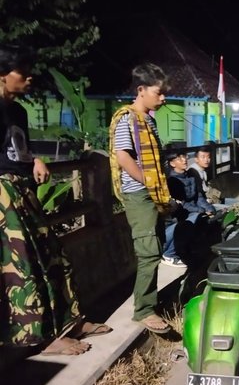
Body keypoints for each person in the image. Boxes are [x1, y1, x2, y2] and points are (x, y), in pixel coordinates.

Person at [0, 43, 111, 356]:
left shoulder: (17, 110)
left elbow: (17, 151)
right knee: (25, 268)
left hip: (22, 192)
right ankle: (44, 339)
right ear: (3, 75)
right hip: (4, 198)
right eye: (22, 71)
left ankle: (72, 322)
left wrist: (34, 159)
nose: (30, 77)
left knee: (54, 255)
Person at [109, 62, 172, 334]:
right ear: (141, 90)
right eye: (159, 93)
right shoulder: (127, 118)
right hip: (139, 194)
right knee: (149, 252)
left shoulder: (149, 120)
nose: (163, 98)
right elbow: (123, 156)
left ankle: (149, 303)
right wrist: (147, 181)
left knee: (155, 248)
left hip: (152, 193)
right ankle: (143, 310)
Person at [162, 150, 215, 267]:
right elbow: (183, 204)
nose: (184, 160)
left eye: (184, 157)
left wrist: (209, 208)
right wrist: (201, 211)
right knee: (196, 218)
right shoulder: (172, 181)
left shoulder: (190, 176)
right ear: (172, 164)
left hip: (190, 211)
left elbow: (199, 197)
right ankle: (170, 254)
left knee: (212, 213)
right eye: (179, 159)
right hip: (178, 217)